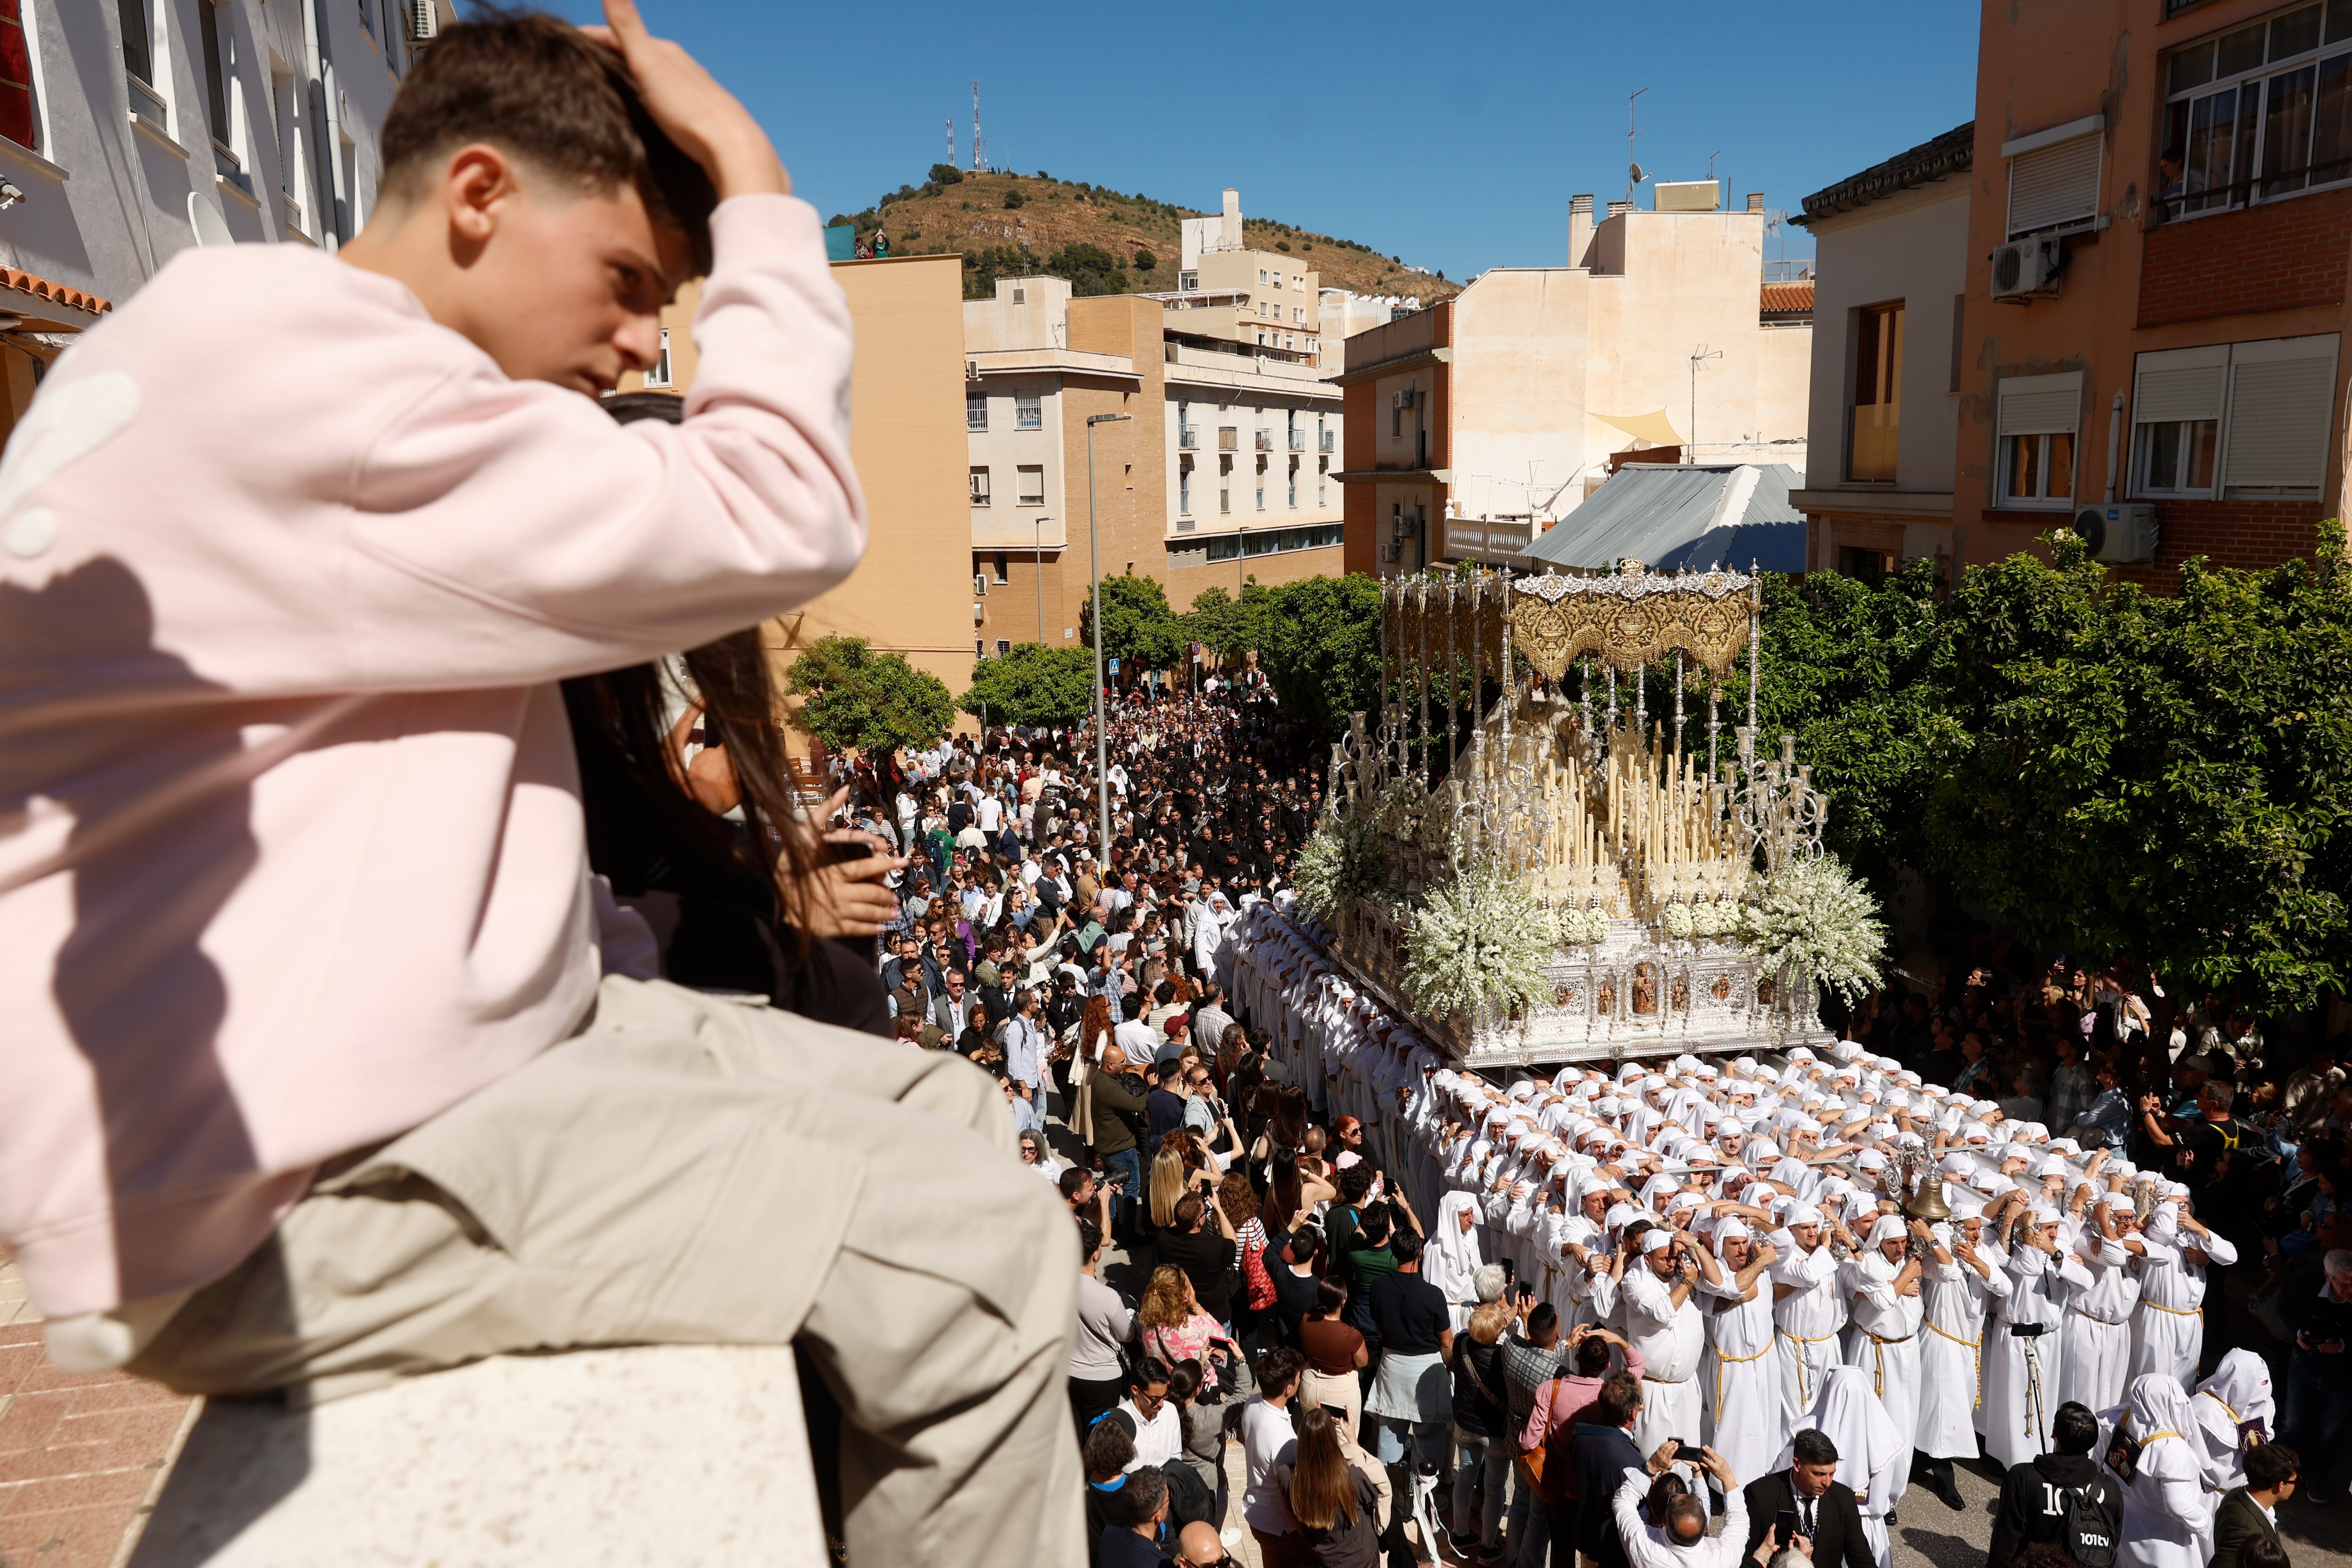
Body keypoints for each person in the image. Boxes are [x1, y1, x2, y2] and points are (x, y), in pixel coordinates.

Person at [0, 10, 1082, 1566]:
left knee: (950, 1106)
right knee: (986, 1263)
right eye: (636, 282)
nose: (651, 342)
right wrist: (762, 187)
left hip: (388, 1084)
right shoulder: (324, 387)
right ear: (483, 196)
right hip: (285, 1192)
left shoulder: (240, 338)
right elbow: (776, 507)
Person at [1363, 1228, 1453, 1481]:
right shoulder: (1433, 1295)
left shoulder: (1378, 1287)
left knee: (1389, 1437)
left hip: (1392, 1367)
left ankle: (1388, 1497)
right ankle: (1424, 1502)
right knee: (1428, 1442)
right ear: (1420, 1252)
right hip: (1426, 1373)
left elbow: (1380, 1327)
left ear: (1393, 1252)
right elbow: (1447, 1342)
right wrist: (1448, 1367)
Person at [1984, 1401, 2120, 1568]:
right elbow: (2112, 1544)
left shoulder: (2023, 1478)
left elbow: (2005, 1542)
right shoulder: (2110, 1488)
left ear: (2054, 1434)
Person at [2098, 1373, 2215, 1568]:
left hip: (2124, 1524)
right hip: (2162, 1540)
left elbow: (2098, 1462)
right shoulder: (2172, 1449)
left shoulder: (2119, 1420)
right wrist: (2206, 1522)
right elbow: (2179, 1506)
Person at [1739, 1427, 1875, 1568]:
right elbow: (1747, 1560)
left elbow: (1861, 1560)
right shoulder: (1760, 1496)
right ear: (1797, 1465)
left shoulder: (1843, 1498)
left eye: (1832, 1474)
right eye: (1819, 1474)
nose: (1827, 1483)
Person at [2278, 1246, 2352, 1504]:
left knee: (2331, 1431)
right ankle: (2284, 1471)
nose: (2349, 1291)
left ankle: (2316, 1475)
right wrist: (2299, 1332)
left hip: (2343, 1375)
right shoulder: (2307, 1283)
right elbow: (2285, 1310)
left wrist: (2342, 1346)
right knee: (2294, 1423)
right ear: (2328, 1276)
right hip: (2304, 1366)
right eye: (2344, 1285)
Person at [1448, 1298, 1515, 1560]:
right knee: (1495, 1488)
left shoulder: (1461, 1343)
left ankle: (1460, 1533)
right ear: (1498, 1334)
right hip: (1493, 1433)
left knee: (1465, 1479)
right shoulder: (1503, 1358)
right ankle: (1488, 1547)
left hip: (1464, 1425)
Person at [1610, 1442, 1747, 1568]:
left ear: (1664, 1521)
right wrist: (1727, 1477)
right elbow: (1739, 1523)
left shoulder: (1642, 1548)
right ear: (1706, 1526)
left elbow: (1623, 1501)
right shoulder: (1724, 1559)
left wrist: (1651, 1466)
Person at [1281, 1405, 1382, 1568]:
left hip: (1318, 1560)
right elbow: (1373, 1500)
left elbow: (1289, 1511)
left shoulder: (1289, 1479)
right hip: (1360, 1560)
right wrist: (1352, 1440)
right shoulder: (1353, 1478)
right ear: (1332, 1441)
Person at [1073, 1219, 1139, 1432]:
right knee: (1099, 1436)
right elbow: (1127, 1335)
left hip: (1067, 1373)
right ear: (1095, 1255)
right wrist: (1135, 1319)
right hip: (1103, 1379)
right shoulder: (1108, 1297)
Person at [1243, 1347, 1307, 1568]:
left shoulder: (1251, 1404)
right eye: (1299, 1376)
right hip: (1280, 1527)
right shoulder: (1285, 1441)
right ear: (1289, 1389)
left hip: (1257, 1514)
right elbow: (1289, 1497)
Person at [1298, 1277, 1369, 1439]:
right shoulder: (1351, 1336)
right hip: (1340, 1392)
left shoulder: (1306, 1320)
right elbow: (1363, 1361)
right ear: (1343, 1301)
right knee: (1345, 1442)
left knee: (1312, 1440)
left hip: (1309, 1385)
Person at [2212, 1443, 2299, 1568]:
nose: (2296, 1486)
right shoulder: (2247, 1534)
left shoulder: (2237, 1494)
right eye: (2295, 1481)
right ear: (2280, 1486)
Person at [1100, 1463, 1171, 1568]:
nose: (1170, 1501)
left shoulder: (1111, 1530)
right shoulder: (1161, 1563)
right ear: (1158, 1515)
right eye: (1169, 1498)